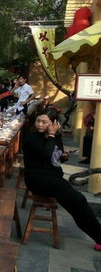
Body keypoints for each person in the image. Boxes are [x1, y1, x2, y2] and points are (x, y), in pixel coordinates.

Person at [23, 108, 101, 252]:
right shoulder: (32, 138)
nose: (39, 124)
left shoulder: (56, 137)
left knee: (77, 202)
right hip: (37, 179)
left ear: (54, 123)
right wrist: (51, 135)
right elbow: (46, 154)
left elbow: (54, 158)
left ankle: (98, 236)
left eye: (44, 122)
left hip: (52, 178)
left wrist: (62, 156)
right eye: (38, 121)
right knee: (78, 200)